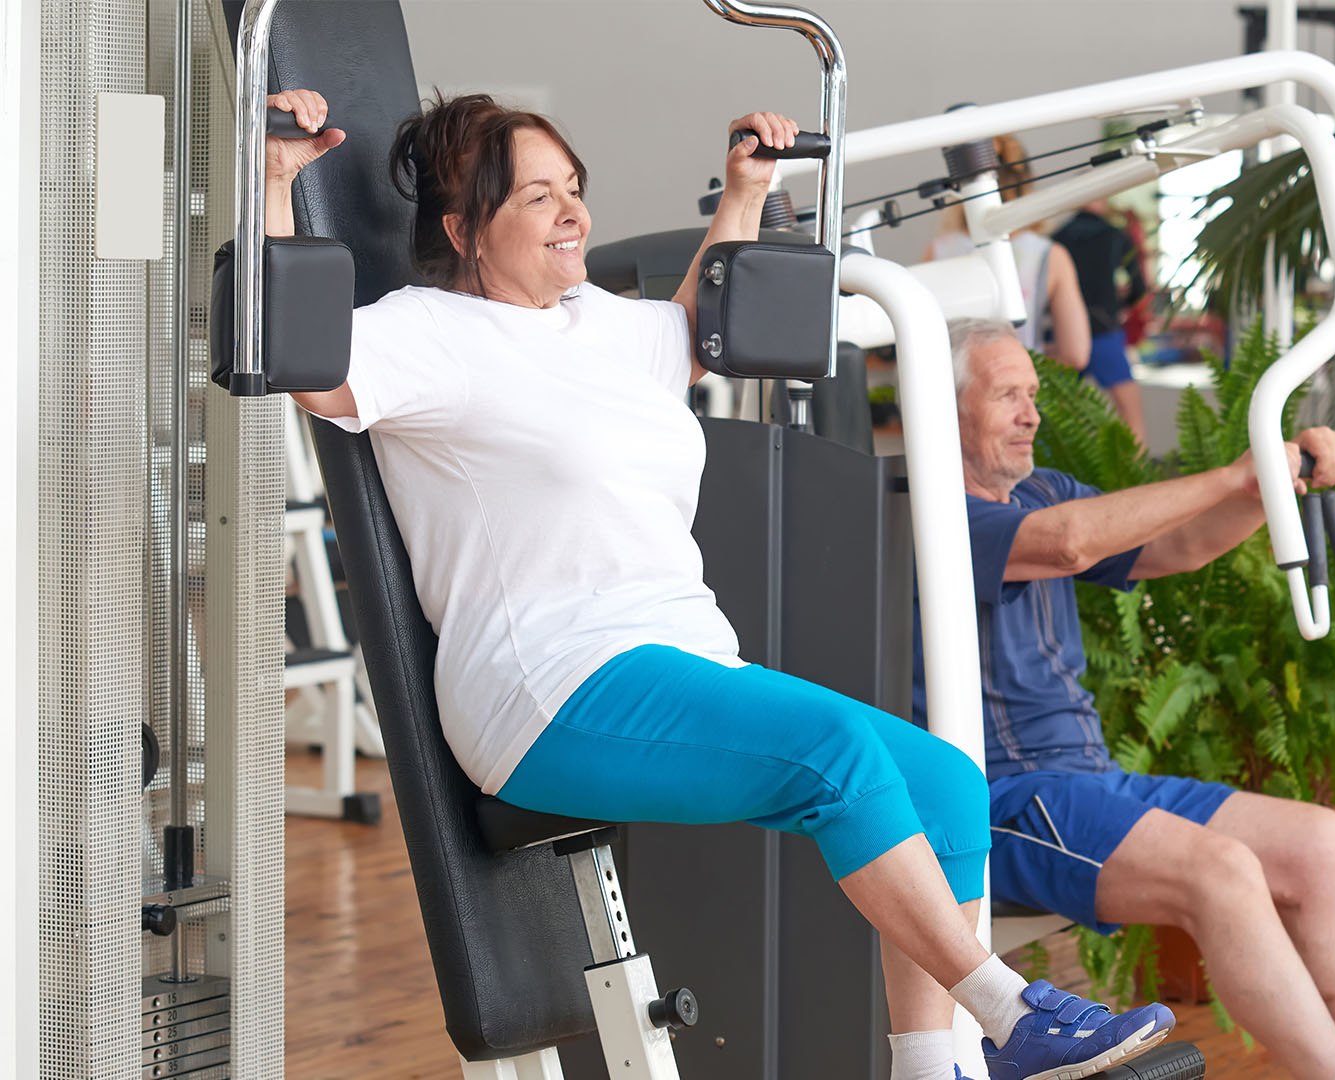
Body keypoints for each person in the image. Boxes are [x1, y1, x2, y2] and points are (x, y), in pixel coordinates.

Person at [264, 88, 1174, 1080]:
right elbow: (305, 364)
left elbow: (690, 326)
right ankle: (1010, 1011)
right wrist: (275, 179)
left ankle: (931, 1068)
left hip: (679, 656)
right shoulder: (428, 331)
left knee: (947, 787)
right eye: (538, 199)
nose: (575, 215)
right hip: (549, 686)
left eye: (574, 190)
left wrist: (744, 194)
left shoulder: (596, 324)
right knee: (834, 756)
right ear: (463, 230)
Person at [915, 319, 1335, 1080]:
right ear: (940, 404)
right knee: (1221, 870)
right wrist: (1235, 473)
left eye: (1035, 394)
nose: (1033, 415)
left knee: (1321, 844)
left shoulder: (1043, 489)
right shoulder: (927, 508)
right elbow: (1067, 545)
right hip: (1006, 801)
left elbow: (1175, 547)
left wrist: (1273, 487)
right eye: (1009, 396)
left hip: (1085, 778)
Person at [924, 134, 1091, 373]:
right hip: (1016, 387)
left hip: (954, 395)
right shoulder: (1050, 255)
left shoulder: (938, 250)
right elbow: (1076, 354)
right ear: (1025, 183)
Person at [1051, 200, 1148, 443]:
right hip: (1103, 329)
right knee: (1130, 414)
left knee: (1059, 417)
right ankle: (1136, 475)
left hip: (1063, 335)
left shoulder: (1056, 238)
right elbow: (1139, 287)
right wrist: (1118, 303)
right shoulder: (1115, 236)